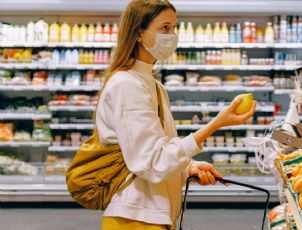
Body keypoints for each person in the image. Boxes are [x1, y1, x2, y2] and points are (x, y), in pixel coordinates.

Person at [96, 0, 256, 229]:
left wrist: (187, 167)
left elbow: (158, 150)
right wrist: (215, 124)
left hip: (154, 216)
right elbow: (152, 162)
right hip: (135, 218)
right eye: (165, 28)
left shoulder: (153, 85)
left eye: (174, 28)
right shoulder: (127, 85)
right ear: (139, 34)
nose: (172, 35)